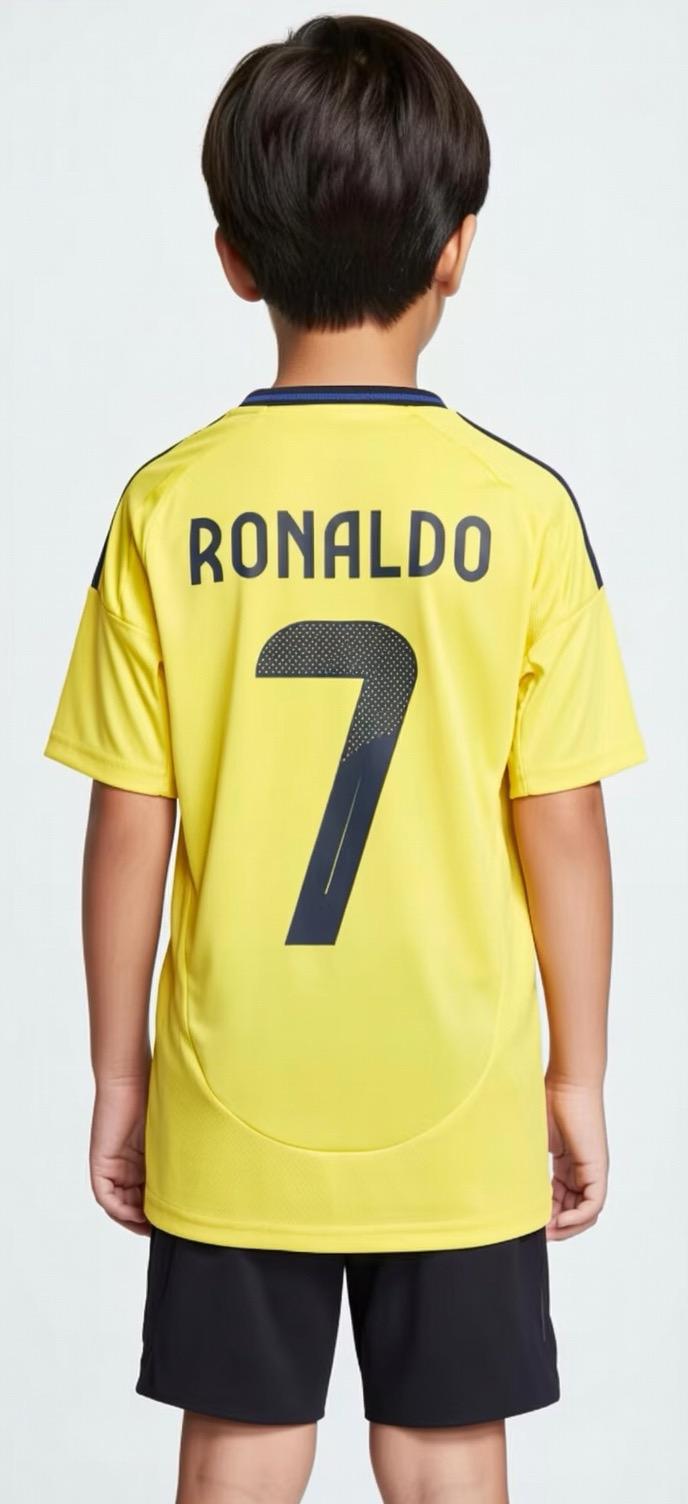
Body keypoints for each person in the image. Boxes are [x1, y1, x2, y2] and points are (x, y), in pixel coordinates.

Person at [43, 15, 646, 1504]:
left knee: (240, 1450)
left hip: (234, 1077)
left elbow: (129, 819)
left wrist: (117, 1073)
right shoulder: (524, 512)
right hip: (459, 1083)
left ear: (235, 260)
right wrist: (578, 1074)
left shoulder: (167, 507)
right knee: (446, 1458)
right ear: (456, 252)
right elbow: (563, 820)